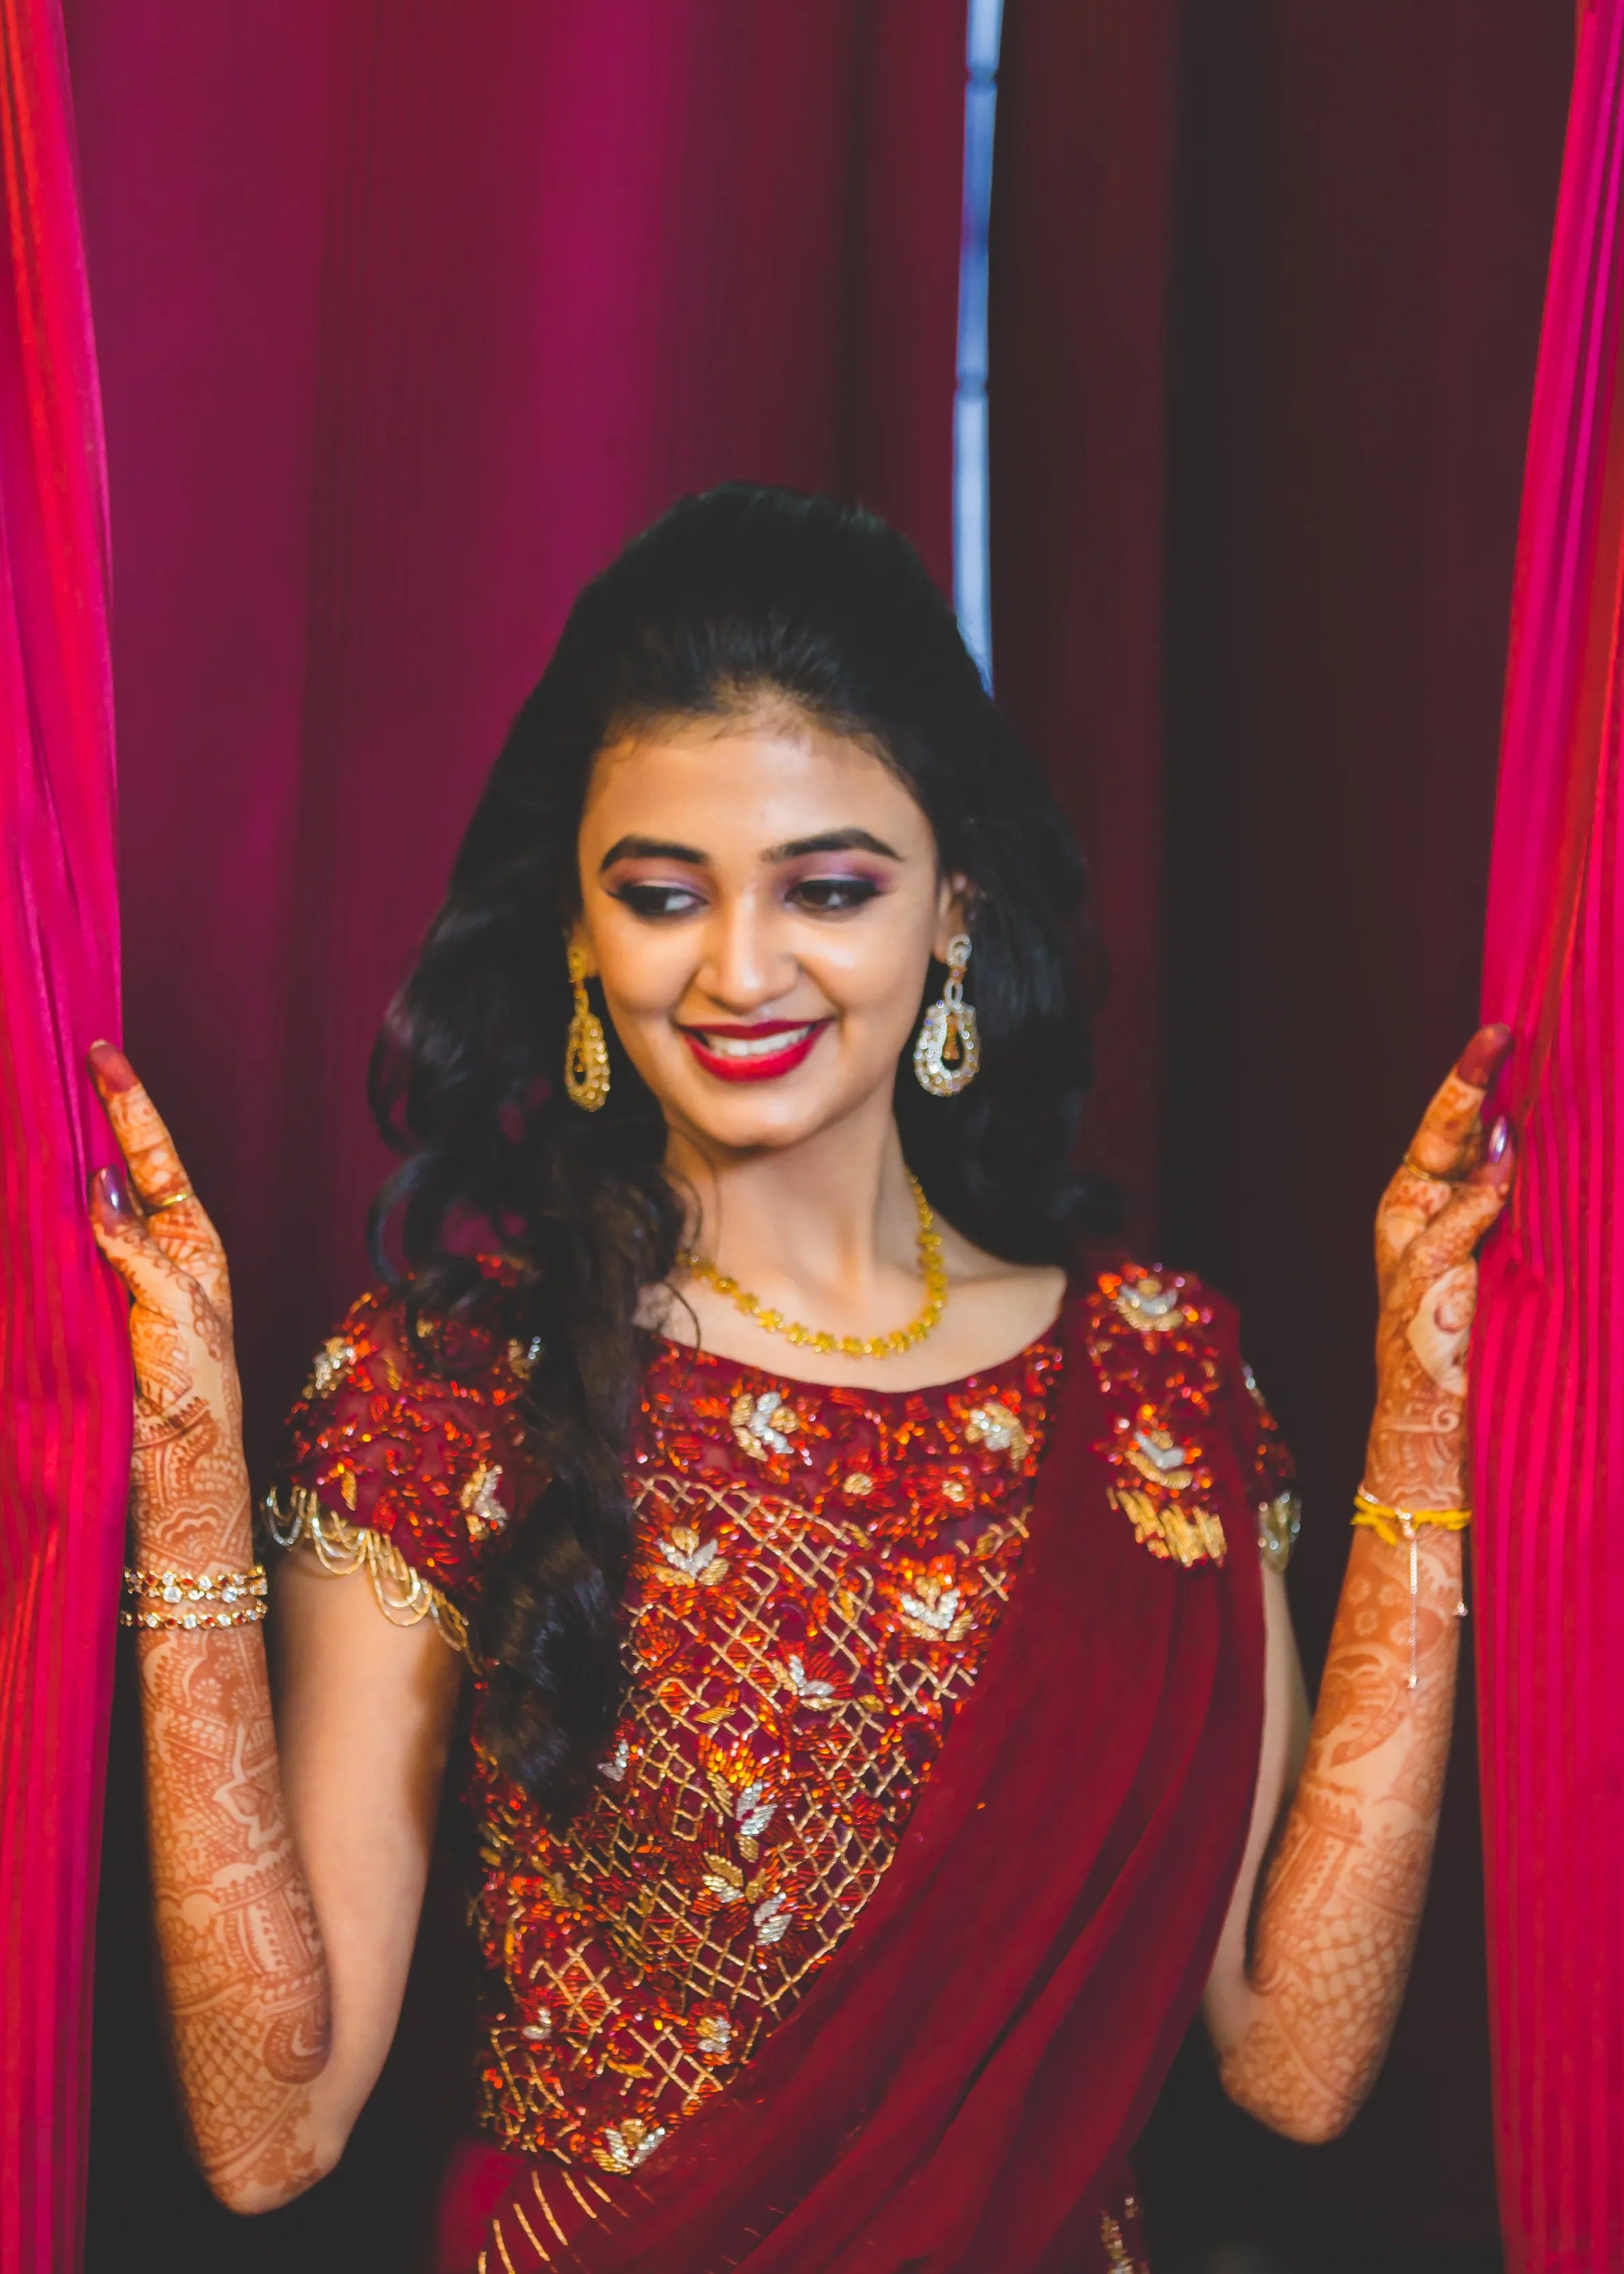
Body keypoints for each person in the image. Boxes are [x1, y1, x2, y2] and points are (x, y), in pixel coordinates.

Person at [88, 485, 1514, 2274]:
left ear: (955, 917)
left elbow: (1294, 2063)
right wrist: (190, 1470)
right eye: (663, 894)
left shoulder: (1154, 1378)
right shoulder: (450, 1388)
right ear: (582, 941)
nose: (742, 969)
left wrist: (1431, 1422)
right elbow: (266, 2132)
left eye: (828, 887)